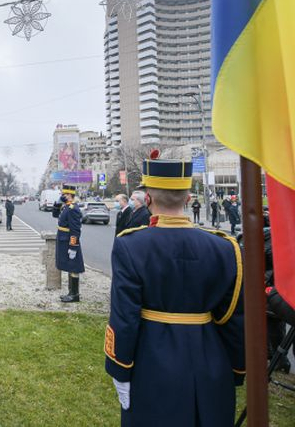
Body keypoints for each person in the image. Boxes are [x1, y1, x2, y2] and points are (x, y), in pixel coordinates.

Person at [105, 153, 244, 427]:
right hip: (210, 361)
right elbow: (233, 317)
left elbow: (124, 317)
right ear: (189, 198)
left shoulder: (131, 245)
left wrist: (119, 368)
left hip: (150, 363)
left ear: (148, 199)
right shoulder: (225, 247)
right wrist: (237, 369)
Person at [52, 184, 84, 303]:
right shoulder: (66, 207)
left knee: (73, 267)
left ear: (70, 195)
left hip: (68, 242)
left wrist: (73, 246)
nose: (62, 196)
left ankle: (74, 294)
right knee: (70, 267)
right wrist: (57, 203)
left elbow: (75, 230)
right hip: (63, 240)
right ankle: (71, 292)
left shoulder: (73, 209)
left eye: (64, 195)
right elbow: (55, 215)